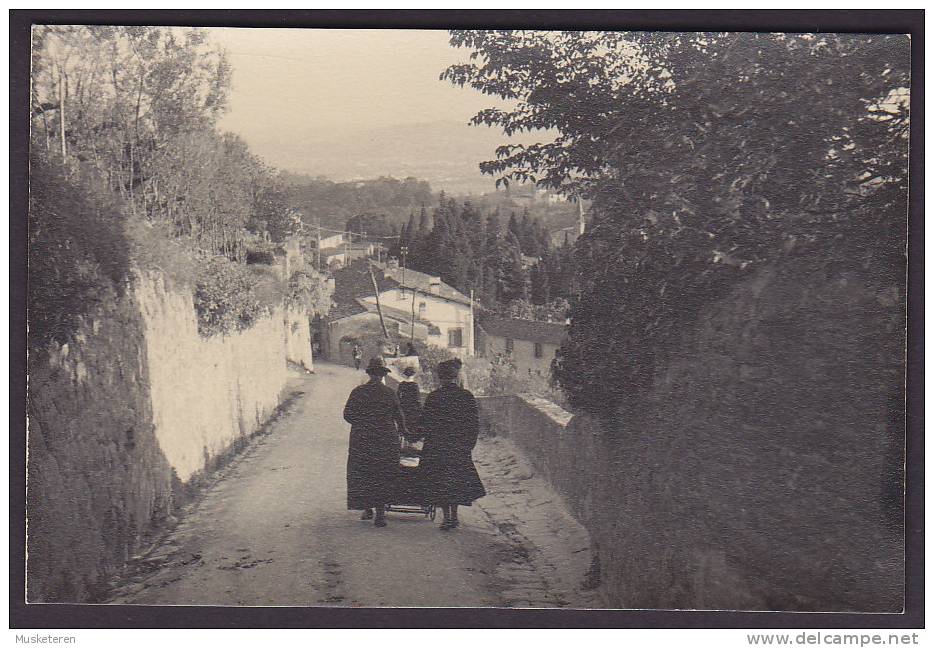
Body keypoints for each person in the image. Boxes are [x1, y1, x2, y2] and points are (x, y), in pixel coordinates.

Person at [418, 358, 486, 530]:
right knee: (455, 482)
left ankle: (447, 517)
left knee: (441, 482)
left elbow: (425, 422)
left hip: (437, 446)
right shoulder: (466, 396)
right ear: (456, 377)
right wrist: (469, 444)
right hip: (458, 446)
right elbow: (474, 423)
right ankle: (454, 516)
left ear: (441, 378)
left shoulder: (434, 397)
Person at [343, 357, 406, 527]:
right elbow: (399, 417)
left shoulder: (358, 392)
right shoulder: (390, 393)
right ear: (383, 375)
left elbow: (347, 415)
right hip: (385, 440)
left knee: (364, 473)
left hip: (362, 439)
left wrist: (362, 423)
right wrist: (404, 431)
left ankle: (367, 508)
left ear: (370, 374)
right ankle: (381, 514)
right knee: (384, 474)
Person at [396, 366, 422, 444]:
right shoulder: (415, 385)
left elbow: (398, 397)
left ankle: (402, 442)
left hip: (403, 408)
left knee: (403, 424)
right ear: (413, 375)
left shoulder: (401, 384)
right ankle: (409, 443)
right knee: (411, 425)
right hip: (412, 409)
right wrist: (419, 410)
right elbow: (417, 399)